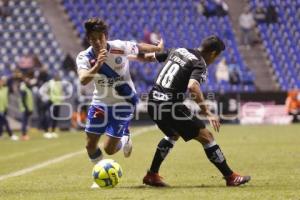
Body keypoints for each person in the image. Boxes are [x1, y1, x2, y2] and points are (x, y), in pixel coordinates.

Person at [139, 35, 250, 187]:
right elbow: (192, 87)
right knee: (207, 137)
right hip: (169, 104)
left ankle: (152, 174)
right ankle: (230, 177)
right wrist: (208, 112)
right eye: (217, 57)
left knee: (172, 134)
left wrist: (127, 56)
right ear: (213, 54)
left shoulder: (179, 50)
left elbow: (148, 57)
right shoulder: (199, 63)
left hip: (152, 101)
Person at [76, 18, 164, 187]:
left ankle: (125, 138)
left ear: (105, 37)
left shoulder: (119, 46)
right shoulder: (84, 56)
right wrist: (97, 65)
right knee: (90, 145)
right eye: (92, 39)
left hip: (123, 102)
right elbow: (83, 79)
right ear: (89, 39)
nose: (96, 42)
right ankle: (100, 174)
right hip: (100, 102)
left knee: (109, 149)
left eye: (99, 38)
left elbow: (138, 47)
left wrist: (157, 48)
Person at [0, 76, 18, 140]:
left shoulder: (5, 89)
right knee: (5, 122)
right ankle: (11, 135)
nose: (1, 83)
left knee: (1, 123)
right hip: (0, 109)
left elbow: (12, 90)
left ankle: (1, 135)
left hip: (4, 109)